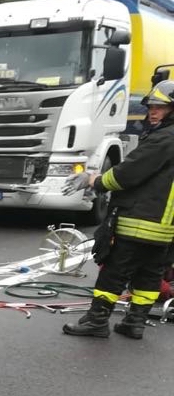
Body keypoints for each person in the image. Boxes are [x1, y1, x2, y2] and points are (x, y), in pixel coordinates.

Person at [61, 79, 174, 339]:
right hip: (164, 229)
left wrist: (94, 181)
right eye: (151, 107)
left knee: (114, 273)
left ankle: (97, 322)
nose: (152, 112)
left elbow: (127, 175)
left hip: (139, 220)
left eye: (160, 107)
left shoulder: (164, 140)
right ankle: (135, 324)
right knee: (148, 276)